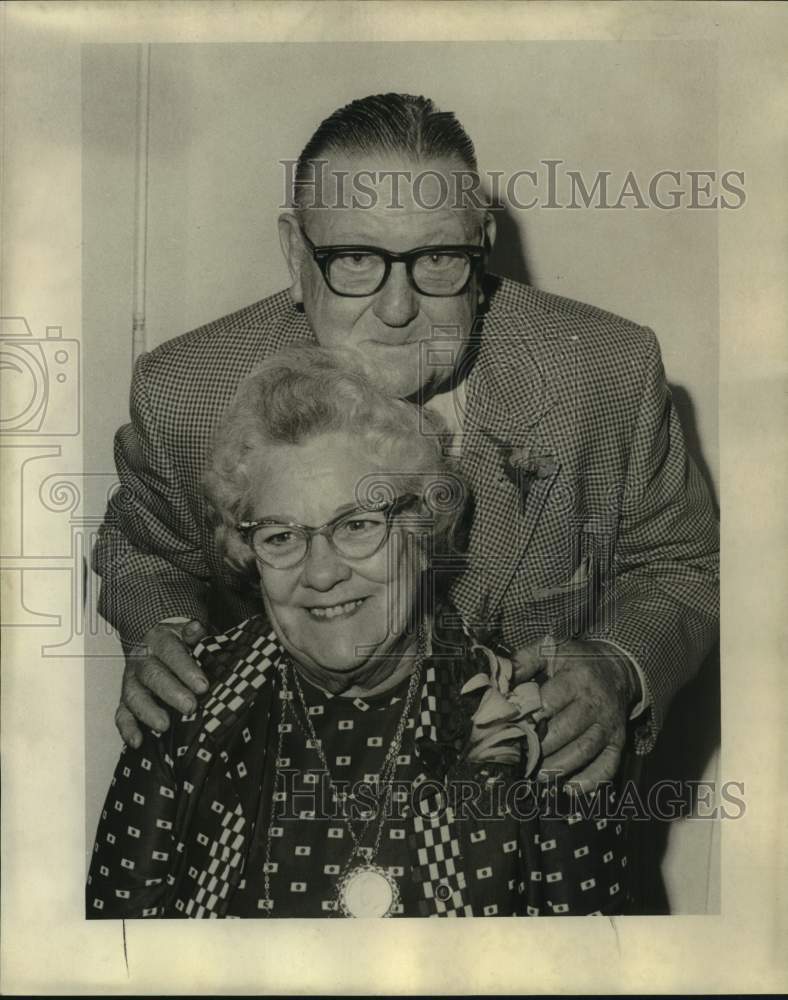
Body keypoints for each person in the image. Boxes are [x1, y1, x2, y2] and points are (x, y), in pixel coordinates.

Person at [93, 92, 719, 796]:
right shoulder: (184, 394)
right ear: (296, 255)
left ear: (480, 246)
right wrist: (163, 628)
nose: (397, 310)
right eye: (356, 259)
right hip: (285, 806)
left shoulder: (607, 372)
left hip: (532, 825)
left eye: (439, 259)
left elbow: (684, 564)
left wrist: (619, 664)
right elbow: (142, 548)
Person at [87, 346, 631, 919]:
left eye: (358, 525)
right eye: (280, 537)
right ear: (249, 554)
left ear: (421, 532)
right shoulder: (186, 705)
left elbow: (588, 970)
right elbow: (117, 961)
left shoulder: (540, 725)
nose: (321, 572)